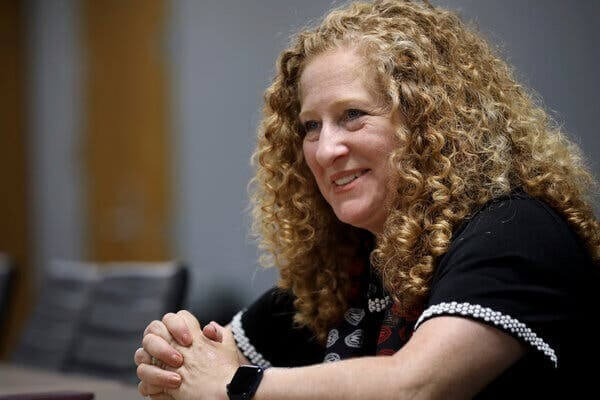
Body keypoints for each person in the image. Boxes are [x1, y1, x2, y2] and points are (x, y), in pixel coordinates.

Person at [134, 1, 600, 398]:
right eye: (311, 126)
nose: (325, 149)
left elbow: (414, 386)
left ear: (427, 121)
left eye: (352, 115)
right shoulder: (352, 257)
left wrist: (236, 386)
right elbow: (220, 355)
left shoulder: (517, 231)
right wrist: (176, 353)